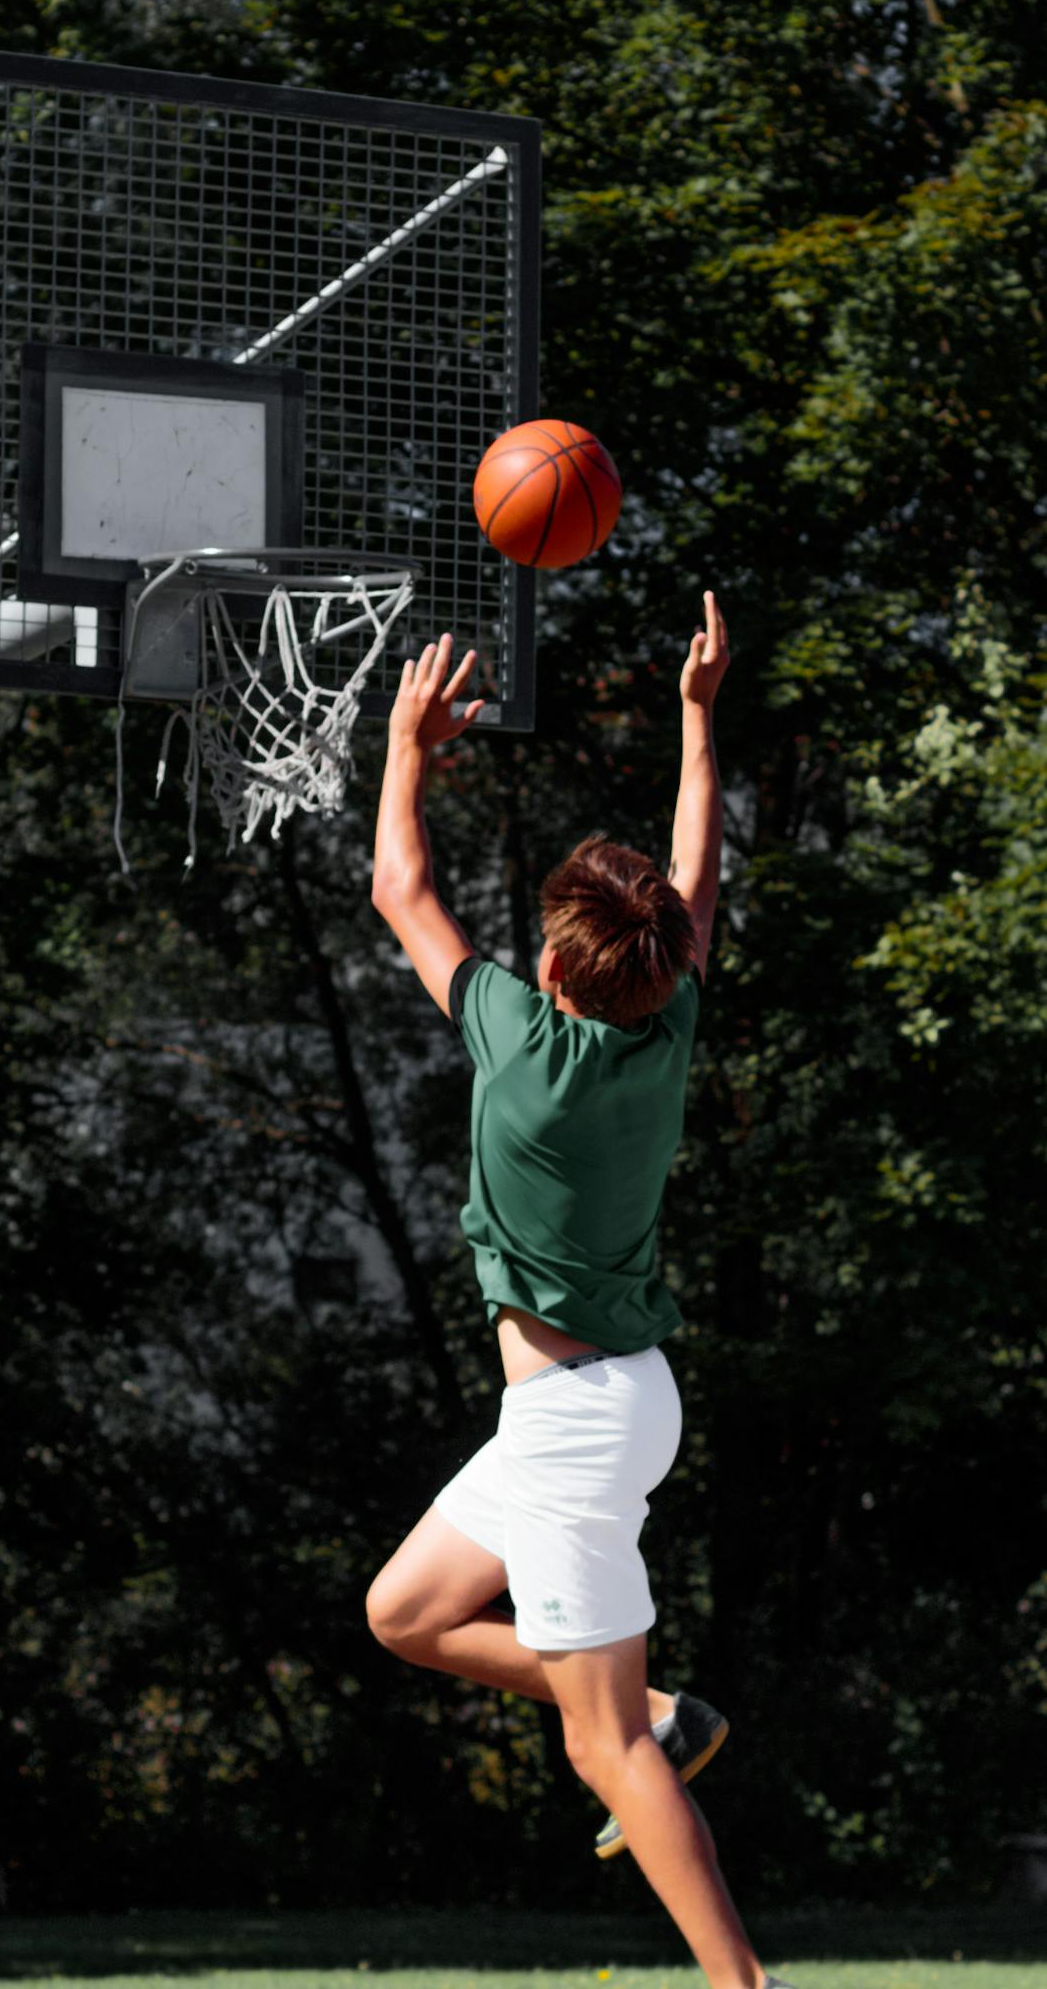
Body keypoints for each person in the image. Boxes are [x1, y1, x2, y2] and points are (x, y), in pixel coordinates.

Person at [366, 592, 795, 1989]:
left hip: (575, 1428)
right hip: (601, 1406)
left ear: (546, 968)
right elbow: (692, 867)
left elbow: (400, 889)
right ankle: (659, 1711)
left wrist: (404, 744)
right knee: (409, 1612)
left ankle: (743, 1982)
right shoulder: (664, 1025)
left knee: (595, 1748)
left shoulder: (515, 1044)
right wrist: (694, 717)